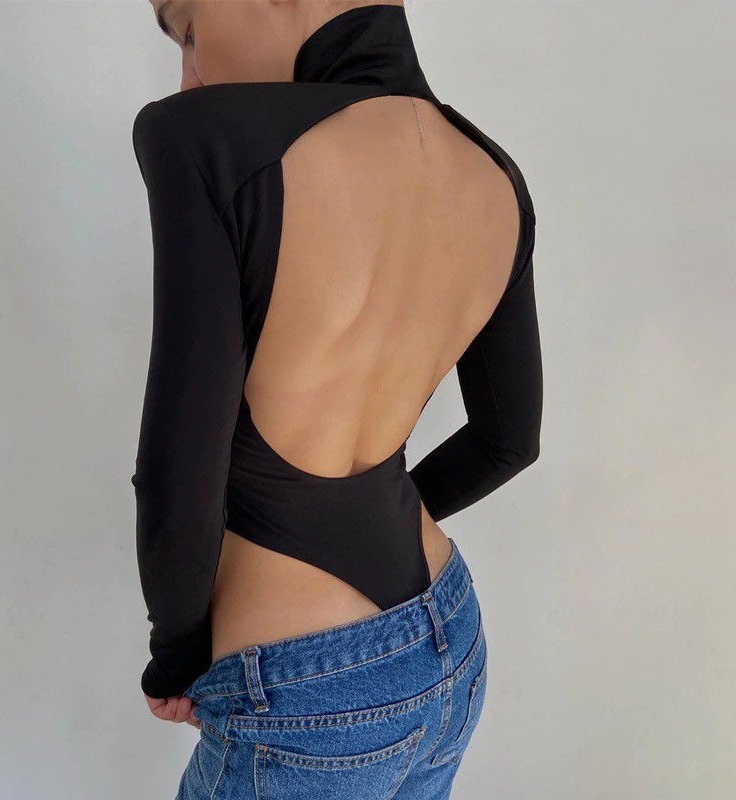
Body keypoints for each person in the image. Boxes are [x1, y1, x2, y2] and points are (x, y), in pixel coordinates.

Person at [130, 1, 542, 796]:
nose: (188, 76)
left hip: (304, 694)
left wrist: (176, 655)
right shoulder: (492, 172)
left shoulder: (201, 137)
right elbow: (508, 441)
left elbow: (181, 482)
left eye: (187, 31)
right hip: (451, 636)